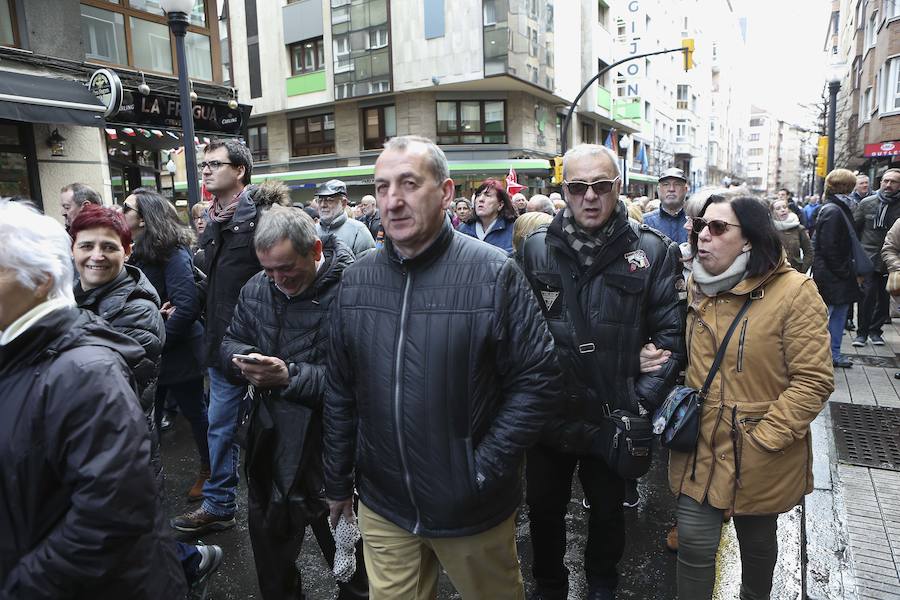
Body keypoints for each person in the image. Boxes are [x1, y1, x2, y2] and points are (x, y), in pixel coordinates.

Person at [324, 135, 560, 599]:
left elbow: (538, 379)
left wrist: (480, 469)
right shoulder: (356, 280)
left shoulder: (494, 273)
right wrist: (337, 481)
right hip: (384, 504)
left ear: (446, 193)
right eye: (383, 186)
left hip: (472, 508)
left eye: (408, 184)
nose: (392, 201)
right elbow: (340, 389)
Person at [519, 144, 686, 600]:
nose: (589, 196)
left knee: (609, 513)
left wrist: (636, 401)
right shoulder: (535, 250)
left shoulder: (653, 251)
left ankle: (602, 586)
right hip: (551, 413)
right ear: (564, 190)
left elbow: (671, 344)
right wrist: (624, 360)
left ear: (619, 188)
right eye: (577, 187)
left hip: (614, 415)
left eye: (601, 186)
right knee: (544, 512)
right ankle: (549, 586)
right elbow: (520, 339)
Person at [0, 200, 188, 598]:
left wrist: (23, 586)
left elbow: (109, 513)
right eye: (85, 246)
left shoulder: (95, 360)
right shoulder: (40, 332)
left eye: (109, 246)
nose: (96, 256)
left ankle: (192, 560)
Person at [670, 193, 833, 599]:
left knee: (758, 546)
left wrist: (766, 438)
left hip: (760, 448)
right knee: (693, 544)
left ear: (748, 240)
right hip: (700, 443)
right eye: (700, 226)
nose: (703, 235)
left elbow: (813, 379)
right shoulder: (692, 286)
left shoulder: (794, 292)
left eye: (718, 227)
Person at [221, 206, 368, 600]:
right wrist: (246, 362)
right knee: (272, 563)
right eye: (268, 269)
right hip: (269, 441)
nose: (276, 279)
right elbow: (228, 342)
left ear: (315, 249)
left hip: (333, 447)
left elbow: (362, 379)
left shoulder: (353, 290)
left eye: (285, 268)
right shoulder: (257, 287)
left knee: (352, 564)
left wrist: (289, 376)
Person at [172, 139, 287, 534]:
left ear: (239, 170)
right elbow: (220, 283)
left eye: (214, 164)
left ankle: (283, 507)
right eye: (203, 164)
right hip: (222, 346)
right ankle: (220, 504)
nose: (204, 170)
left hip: (263, 348)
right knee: (220, 426)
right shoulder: (213, 220)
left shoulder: (265, 217)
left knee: (274, 431)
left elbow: (284, 280)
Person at [124, 189, 210, 501]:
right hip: (151, 352)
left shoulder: (172, 251)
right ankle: (149, 478)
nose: (121, 211)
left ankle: (208, 469)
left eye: (127, 207)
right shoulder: (137, 252)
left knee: (195, 411)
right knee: (146, 419)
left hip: (177, 350)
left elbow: (185, 307)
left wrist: (155, 341)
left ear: (145, 218)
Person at [813, 169, 863, 369]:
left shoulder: (835, 207)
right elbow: (829, 246)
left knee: (836, 313)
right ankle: (829, 354)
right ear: (846, 187)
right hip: (833, 274)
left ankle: (832, 353)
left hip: (834, 272)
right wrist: (844, 271)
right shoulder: (834, 210)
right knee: (831, 315)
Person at [852, 168, 900, 348]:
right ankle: (862, 333)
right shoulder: (867, 203)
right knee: (866, 296)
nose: (888, 185)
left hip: (891, 260)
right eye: (885, 181)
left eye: (893, 182)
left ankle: (875, 331)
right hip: (868, 258)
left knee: (885, 297)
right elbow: (855, 230)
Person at [315, 179, 376, 256]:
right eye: (320, 201)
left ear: (343, 203)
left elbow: (368, 265)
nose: (323, 205)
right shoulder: (312, 230)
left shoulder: (358, 231)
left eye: (329, 200)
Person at [458, 178, 518, 253]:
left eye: (488, 195)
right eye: (478, 195)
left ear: (500, 205)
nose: (481, 199)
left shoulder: (513, 230)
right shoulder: (463, 230)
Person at [643, 167, 690, 243]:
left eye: (677, 184)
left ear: (685, 190)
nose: (671, 189)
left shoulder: (695, 222)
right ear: (658, 190)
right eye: (666, 184)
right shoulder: (645, 222)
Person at [770, 196, 813, 273]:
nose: (782, 210)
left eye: (784, 207)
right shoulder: (770, 229)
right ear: (772, 212)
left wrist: (802, 271)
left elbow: (809, 251)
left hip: (795, 272)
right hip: (774, 274)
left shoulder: (798, 228)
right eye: (778, 208)